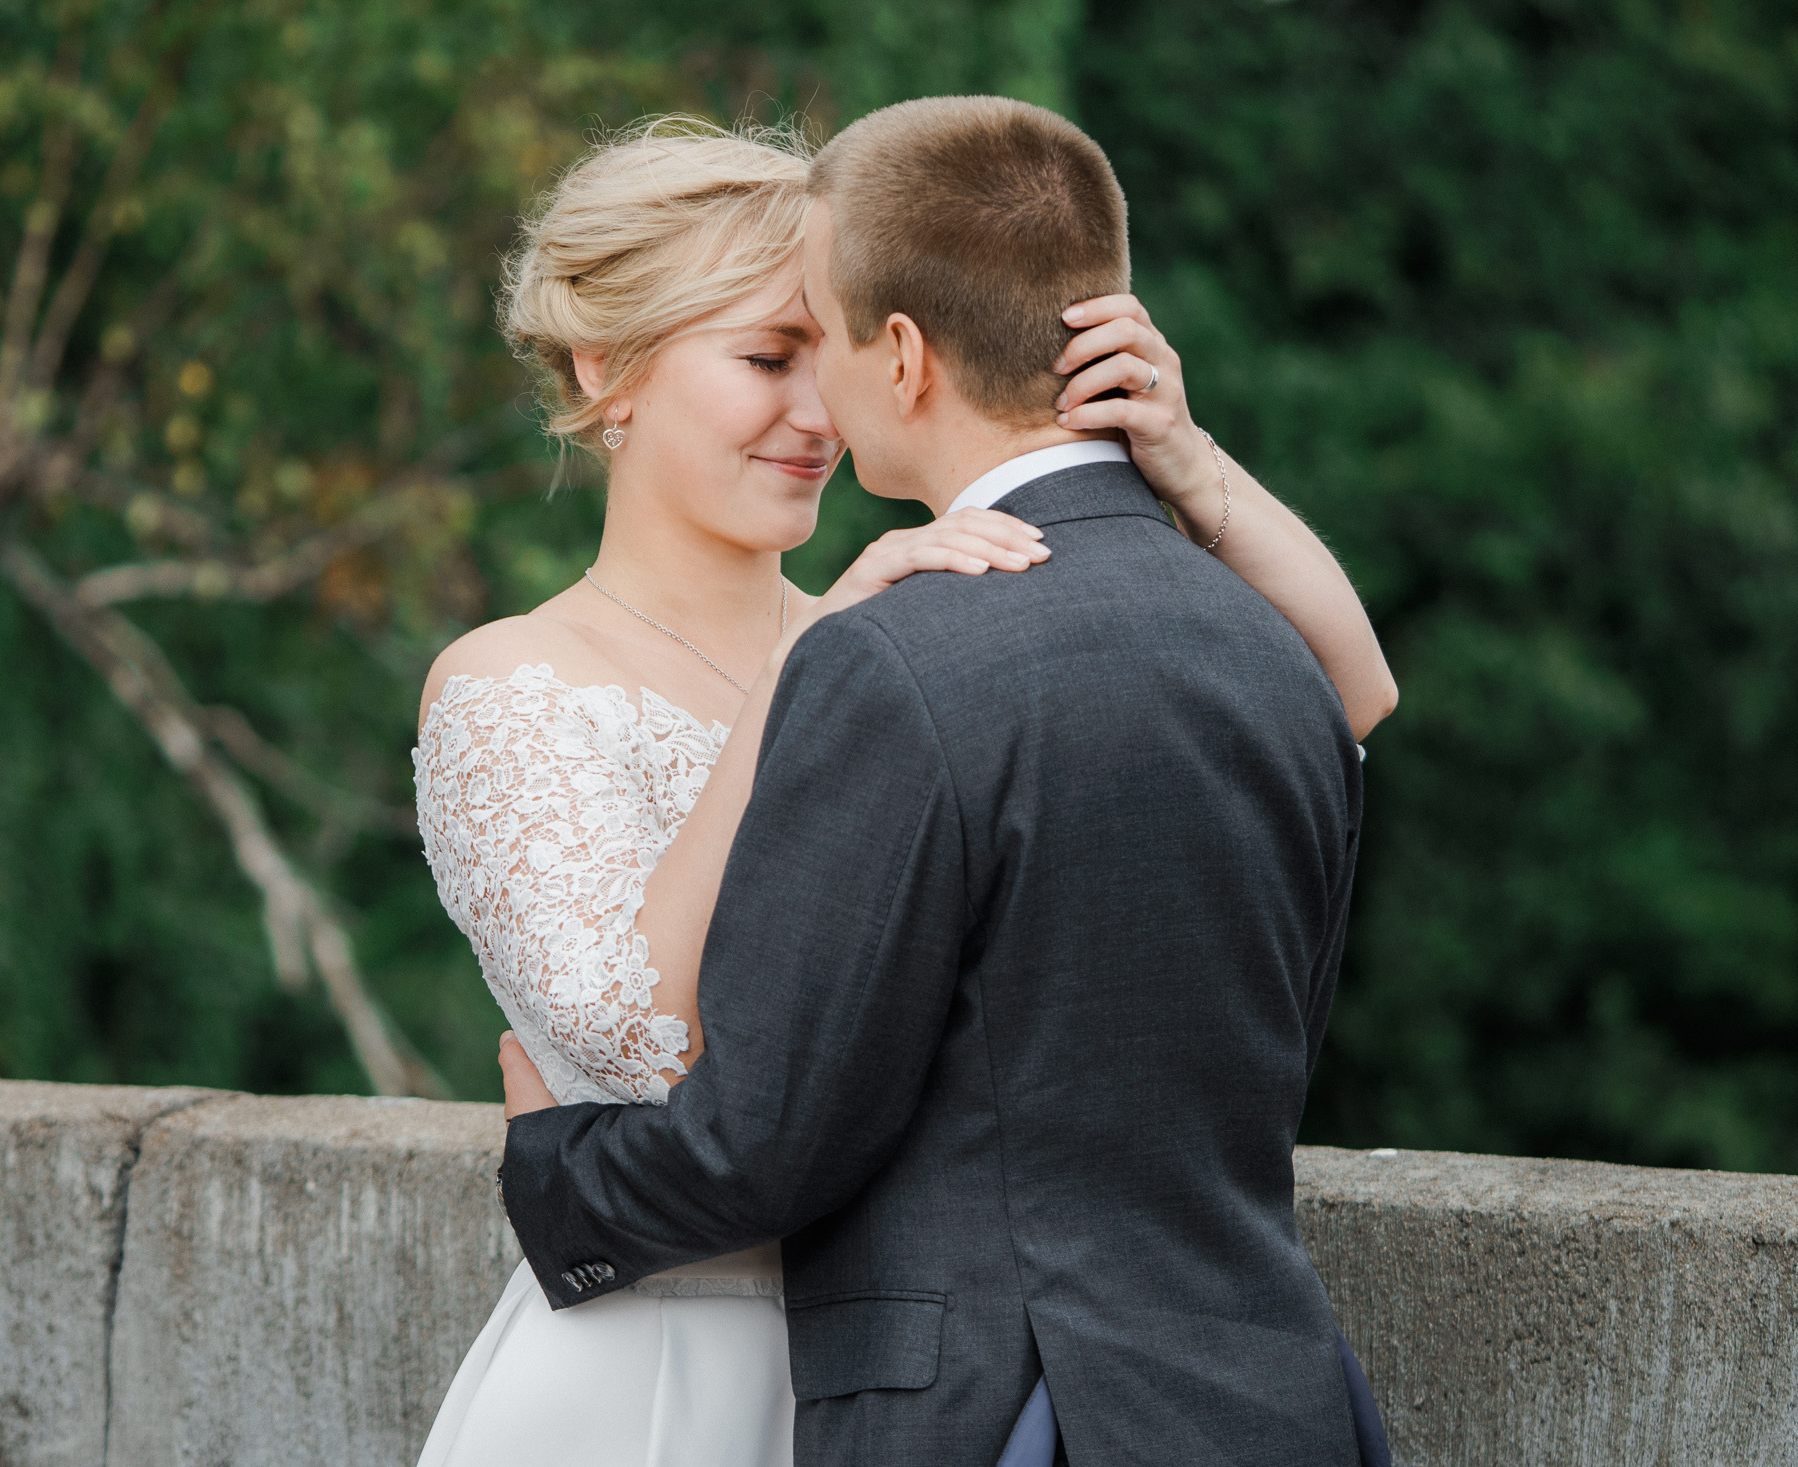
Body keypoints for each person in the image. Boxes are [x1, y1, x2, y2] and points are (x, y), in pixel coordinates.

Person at [418, 111, 1396, 1467]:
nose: (816, 412)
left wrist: (1189, 461)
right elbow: (647, 1051)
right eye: (769, 357)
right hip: (666, 1365)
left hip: (919, 1366)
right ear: (609, 368)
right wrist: (795, 687)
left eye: (826, 350)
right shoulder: (516, 680)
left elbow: (1333, 697)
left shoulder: (905, 639)